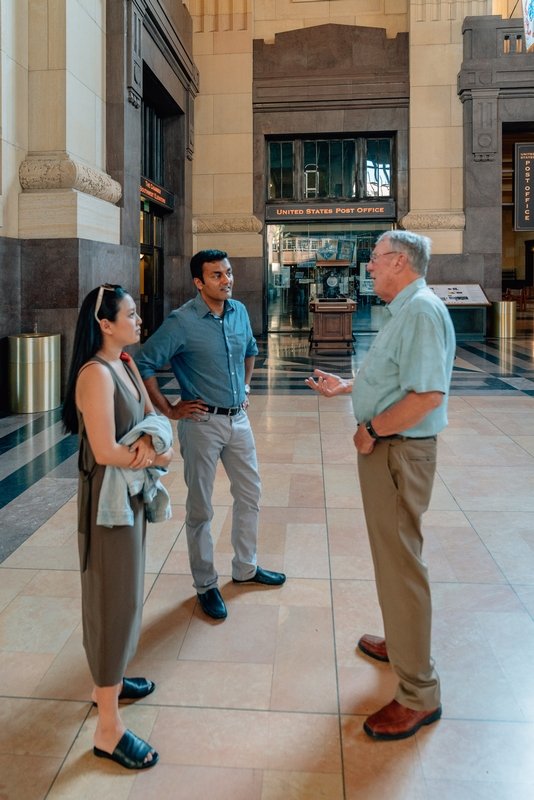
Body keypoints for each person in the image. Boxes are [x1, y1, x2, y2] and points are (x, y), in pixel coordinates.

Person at [306, 231, 455, 740]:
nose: (368, 268)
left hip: (397, 450)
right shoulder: (405, 310)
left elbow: (427, 395)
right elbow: (397, 375)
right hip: (389, 449)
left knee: (400, 562)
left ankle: (418, 694)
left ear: (398, 262)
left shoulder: (420, 312)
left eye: (373, 260)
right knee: (391, 558)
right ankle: (402, 640)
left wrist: (370, 429)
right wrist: (349, 386)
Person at [135, 250, 286, 621]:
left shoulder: (238, 312)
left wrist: (246, 388)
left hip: (238, 421)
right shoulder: (181, 322)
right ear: (199, 282)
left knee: (250, 493)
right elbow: (144, 363)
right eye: (217, 275)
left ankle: (245, 568)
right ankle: (205, 585)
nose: (227, 280)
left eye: (229, 273)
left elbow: (250, 350)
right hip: (201, 424)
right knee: (201, 507)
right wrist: (170, 410)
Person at [62, 284, 174, 769]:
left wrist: (153, 444)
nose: (138, 320)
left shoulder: (127, 365)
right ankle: (108, 729)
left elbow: (156, 422)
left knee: (126, 595)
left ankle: (111, 677)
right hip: (108, 504)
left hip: (129, 494)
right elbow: (106, 451)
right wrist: (150, 452)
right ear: (104, 324)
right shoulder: (95, 374)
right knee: (111, 600)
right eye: (130, 314)